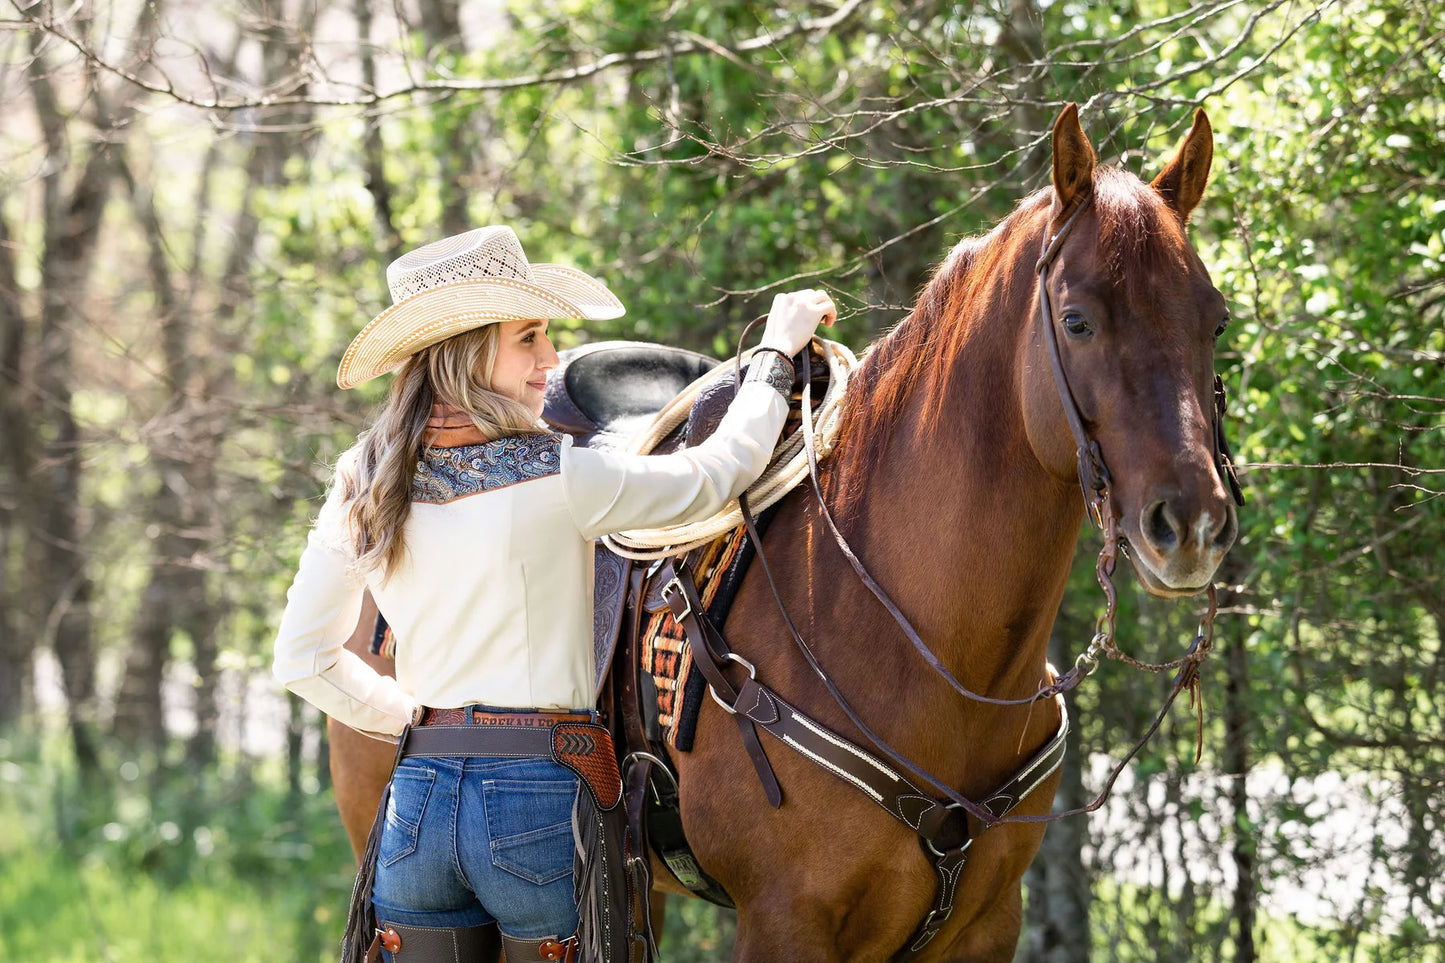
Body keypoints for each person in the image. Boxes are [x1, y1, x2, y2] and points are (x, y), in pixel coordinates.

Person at [272, 225, 834, 963]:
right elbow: (717, 473)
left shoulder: (364, 475)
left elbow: (301, 659)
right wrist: (772, 354)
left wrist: (419, 716)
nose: (550, 359)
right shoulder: (556, 473)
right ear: (469, 352)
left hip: (415, 805)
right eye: (528, 337)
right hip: (538, 801)